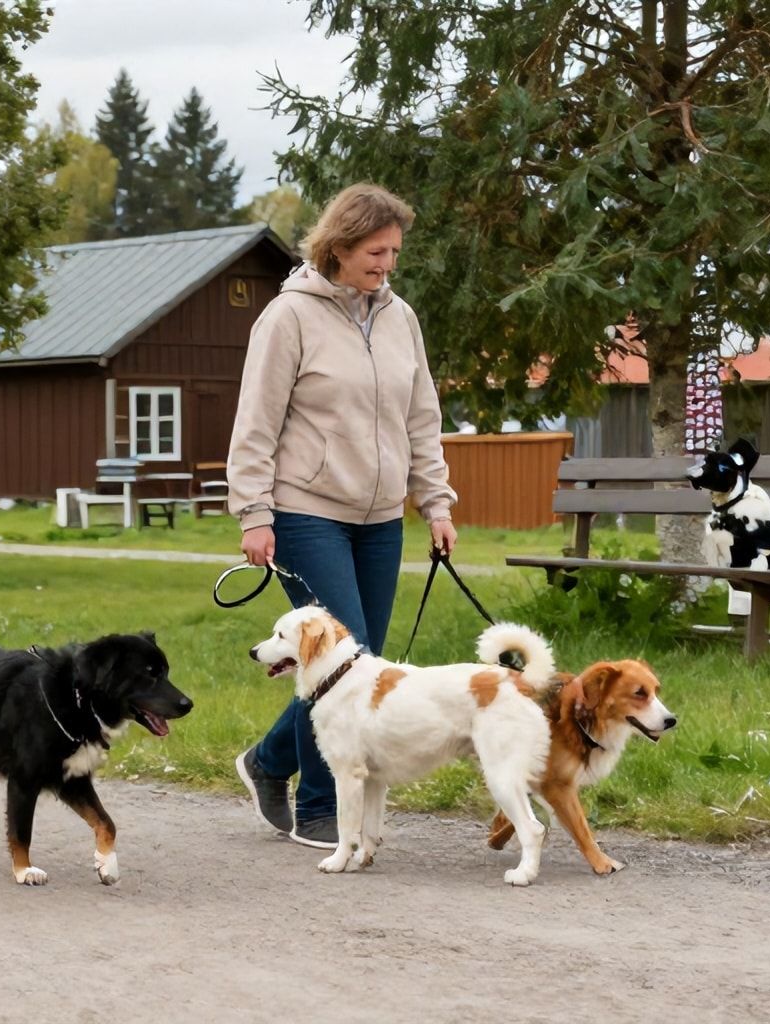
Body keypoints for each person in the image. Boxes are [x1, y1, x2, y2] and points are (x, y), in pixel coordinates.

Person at [225, 183, 458, 849]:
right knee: (337, 659)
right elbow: (256, 424)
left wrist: (435, 500)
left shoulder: (398, 317)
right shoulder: (288, 318)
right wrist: (253, 513)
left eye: (393, 253)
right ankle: (322, 806)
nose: (386, 264)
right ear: (340, 245)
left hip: (381, 516)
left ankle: (268, 762)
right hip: (306, 509)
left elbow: (422, 418)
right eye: (375, 252)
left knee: (354, 663)